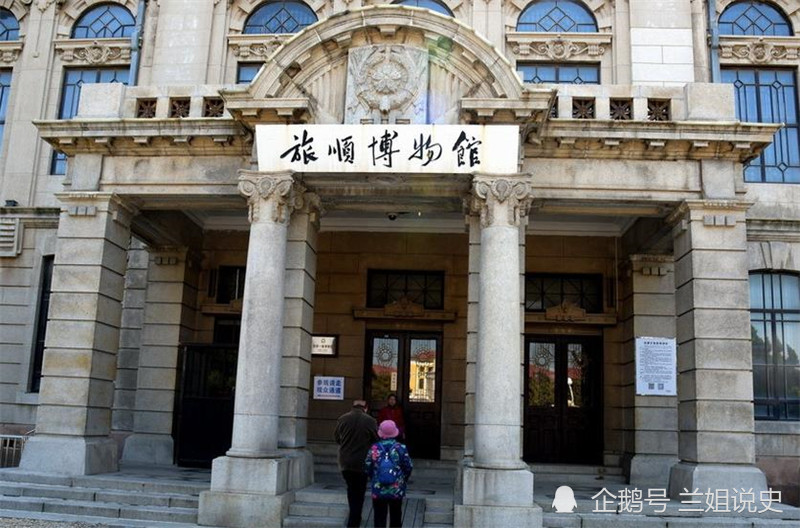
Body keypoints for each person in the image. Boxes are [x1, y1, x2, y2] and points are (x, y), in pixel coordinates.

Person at [335, 400, 378, 528]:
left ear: (352, 407)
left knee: (351, 489)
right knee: (360, 491)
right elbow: (376, 440)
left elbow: (337, 438)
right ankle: (355, 518)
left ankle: (354, 517)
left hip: (346, 461)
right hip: (362, 461)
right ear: (365, 408)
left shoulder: (343, 418)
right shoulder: (370, 421)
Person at [364, 420, 413, 528]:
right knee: (396, 515)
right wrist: (403, 478)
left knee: (379, 516)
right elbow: (408, 466)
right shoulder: (401, 448)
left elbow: (367, 466)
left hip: (378, 487)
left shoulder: (374, 448)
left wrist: (374, 477)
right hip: (396, 488)